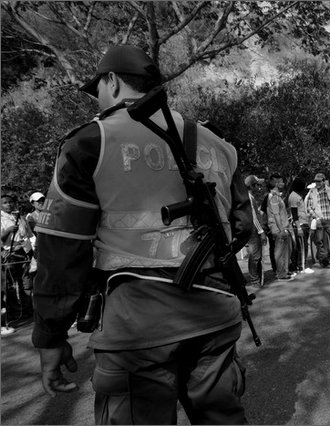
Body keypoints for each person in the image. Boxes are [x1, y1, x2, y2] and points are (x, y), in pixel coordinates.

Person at [31, 45, 252, 424]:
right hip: (217, 312)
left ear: (113, 82)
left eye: (97, 88)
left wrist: (51, 334)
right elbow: (243, 226)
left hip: (137, 327)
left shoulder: (90, 143)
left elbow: (62, 249)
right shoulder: (218, 144)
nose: (97, 98)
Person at [1, 193, 34, 324]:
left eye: (10, 202)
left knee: (26, 283)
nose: (8, 204)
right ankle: (13, 313)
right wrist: (8, 230)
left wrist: (29, 248)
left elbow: (28, 234)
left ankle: (27, 311)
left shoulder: (19, 216)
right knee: (10, 285)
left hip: (23, 251)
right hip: (8, 253)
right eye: (5, 202)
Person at [306, 173, 330, 267]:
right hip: (319, 220)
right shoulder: (312, 192)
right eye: (316, 181)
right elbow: (309, 207)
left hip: (329, 219)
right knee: (320, 242)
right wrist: (315, 217)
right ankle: (324, 261)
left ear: (323, 181)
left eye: (319, 181)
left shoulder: (328, 191)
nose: (317, 183)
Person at [266, 173, 293, 281]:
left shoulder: (277, 196)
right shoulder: (273, 198)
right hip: (278, 228)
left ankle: (285, 271)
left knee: (285, 250)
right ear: (276, 183)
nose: (283, 183)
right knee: (279, 251)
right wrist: (281, 229)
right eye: (281, 181)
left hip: (283, 227)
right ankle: (281, 272)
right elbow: (276, 215)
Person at [245, 175, 268, 286]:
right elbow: (253, 216)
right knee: (254, 256)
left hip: (253, 231)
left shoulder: (250, 197)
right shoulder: (249, 198)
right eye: (257, 185)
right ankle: (254, 280)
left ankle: (256, 278)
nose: (259, 187)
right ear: (252, 186)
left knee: (255, 256)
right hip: (253, 231)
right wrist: (261, 232)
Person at [288, 178, 314, 274]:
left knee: (303, 246)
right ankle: (302, 266)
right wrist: (299, 227)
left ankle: (300, 265)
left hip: (304, 222)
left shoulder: (297, 195)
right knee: (302, 246)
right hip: (300, 224)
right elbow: (295, 214)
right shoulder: (294, 196)